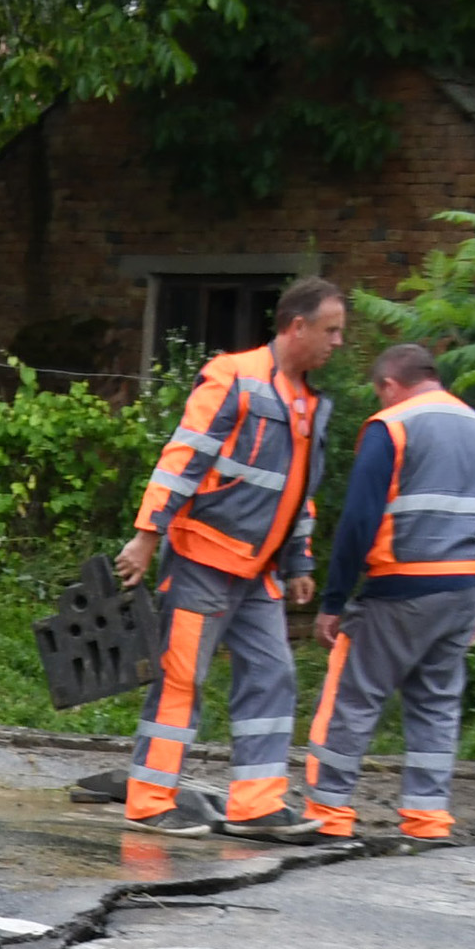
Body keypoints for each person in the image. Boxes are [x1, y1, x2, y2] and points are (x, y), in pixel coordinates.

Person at [109, 278, 348, 838]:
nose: (337, 342)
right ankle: (150, 800)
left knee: (273, 675)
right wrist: (147, 535)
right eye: (331, 330)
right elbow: (184, 455)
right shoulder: (233, 376)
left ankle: (257, 806)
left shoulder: (308, 404)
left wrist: (301, 561)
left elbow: (297, 490)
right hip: (202, 560)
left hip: (258, 572)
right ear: (296, 327)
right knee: (181, 680)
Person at [299, 342, 475, 853]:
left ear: (390, 385)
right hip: (462, 590)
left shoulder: (393, 426)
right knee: (437, 705)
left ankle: (329, 813)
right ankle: (427, 818)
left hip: (400, 588)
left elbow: (358, 521)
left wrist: (334, 600)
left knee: (353, 697)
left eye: (380, 393)